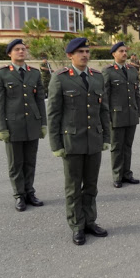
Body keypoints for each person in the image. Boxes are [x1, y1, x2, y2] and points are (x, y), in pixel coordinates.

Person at [47, 38, 111, 246]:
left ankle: (90, 221)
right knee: (73, 187)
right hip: (72, 141)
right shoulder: (61, 79)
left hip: (94, 140)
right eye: (80, 52)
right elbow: (54, 114)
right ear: (70, 56)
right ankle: (77, 225)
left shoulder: (97, 77)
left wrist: (106, 137)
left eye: (86, 51)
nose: (85, 55)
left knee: (91, 186)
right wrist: (56, 144)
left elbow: (103, 110)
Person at [0, 39, 47, 211]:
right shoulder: (2, 74)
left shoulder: (34, 73)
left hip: (32, 124)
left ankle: (30, 192)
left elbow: (40, 100)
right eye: (17, 49)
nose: (21, 52)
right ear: (10, 53)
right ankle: (19, 195)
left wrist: (43, 124)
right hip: (13, 126)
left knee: (30, 161)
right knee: (16, 164)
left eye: (23, 49)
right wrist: (2, 127)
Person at [103, 42, 140, 189]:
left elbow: (136, 93)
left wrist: (138, 111)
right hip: (116, 115)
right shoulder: (108, 71)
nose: (125, 53)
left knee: (127, 145)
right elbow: (105, 96)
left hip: (131, 114)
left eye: (125, 51)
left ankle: (127, 173)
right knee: (117, 147)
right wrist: (106, 117)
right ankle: (117, 175)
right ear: (114, 54)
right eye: (121, 51)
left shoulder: (132, 70)